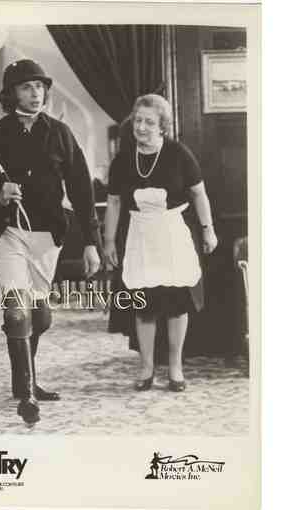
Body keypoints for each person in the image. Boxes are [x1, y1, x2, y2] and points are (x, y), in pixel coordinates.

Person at [0, 59, 100, 424]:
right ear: (12, 94)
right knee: (16, 309)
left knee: (39, 316)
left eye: (40, 86)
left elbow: (82, 190)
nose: (35, 93)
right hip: (8, 234)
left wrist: (91, 242)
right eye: (27, 87)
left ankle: (24, 377)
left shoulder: (60, 133)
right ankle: (26, 394)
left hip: (48, 237)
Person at [103, 94, 218, 392]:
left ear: (163, 126)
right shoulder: (123, 159)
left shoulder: (178, 153)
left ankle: (176, 367)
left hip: (172, 233)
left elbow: (199, 194)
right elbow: (114, 202)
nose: (141, 127)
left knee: (178, 303)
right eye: (138, 120)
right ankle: (146, 367)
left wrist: (208, 230)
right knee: (145, 304)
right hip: (139, 235)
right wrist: (109, 241)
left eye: (149, 122)